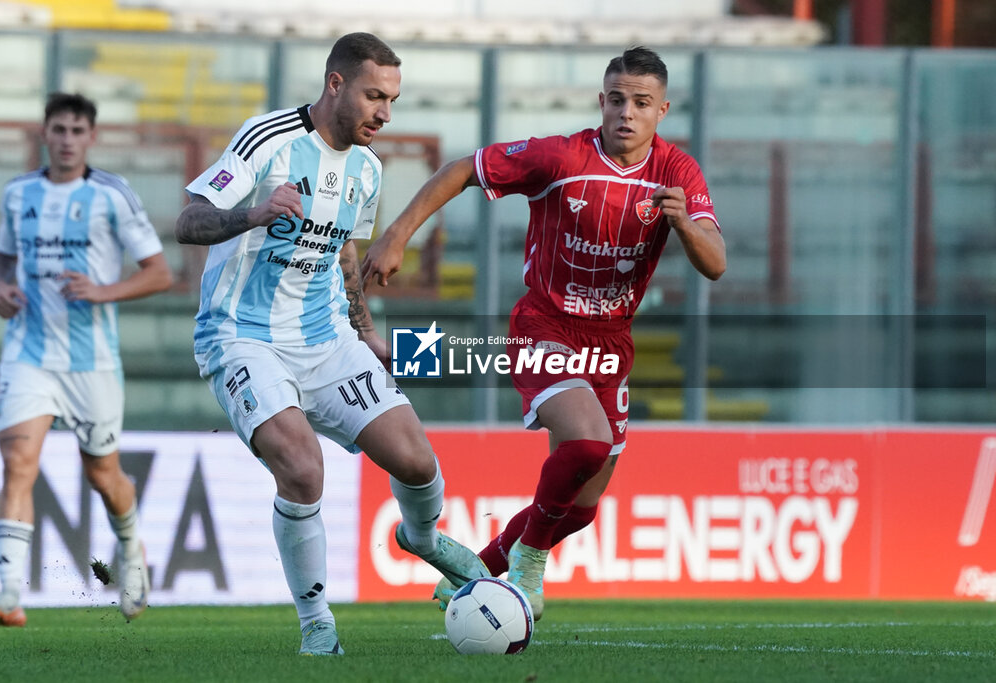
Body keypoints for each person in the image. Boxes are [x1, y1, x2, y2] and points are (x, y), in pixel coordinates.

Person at [362, 47, 726, 620]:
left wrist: (683, 223)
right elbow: (464, 169)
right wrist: (397, 235)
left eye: (640, 102)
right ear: (600, 101)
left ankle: (474, 570)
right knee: (586, 442)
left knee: (581, 507)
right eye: (615, 99)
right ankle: (530, 565)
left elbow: (715, 261)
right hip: (545, 326)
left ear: (662, 110)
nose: (625, 112)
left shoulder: (678, 173)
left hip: (613, 344)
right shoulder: (561, 156)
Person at [174, 32, 487, 656]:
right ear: (335, 84)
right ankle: (318, 625)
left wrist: (366, 332)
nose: (385, 113)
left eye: (393, 100)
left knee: (418, 463)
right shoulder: (268, 140)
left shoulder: (368, 170)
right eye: (375, 95)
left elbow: (344, 253)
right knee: (302, 467)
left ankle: (421, 540)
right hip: (242, 337)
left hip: (326, 338)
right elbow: (187, 221)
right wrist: (253, 213)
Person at [0, 93, 173, 628]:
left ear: (91, 137)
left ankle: (132, 549)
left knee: (102, 474)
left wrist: (102, 290)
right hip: (28, 353)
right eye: (58, 129)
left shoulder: (112, 194)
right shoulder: (19, 193)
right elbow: (1, 259)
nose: (67, 140)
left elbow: (159, 273)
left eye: (76, 131)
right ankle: (10, 593)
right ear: (44, 133)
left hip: (92, 363)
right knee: (18, 464)